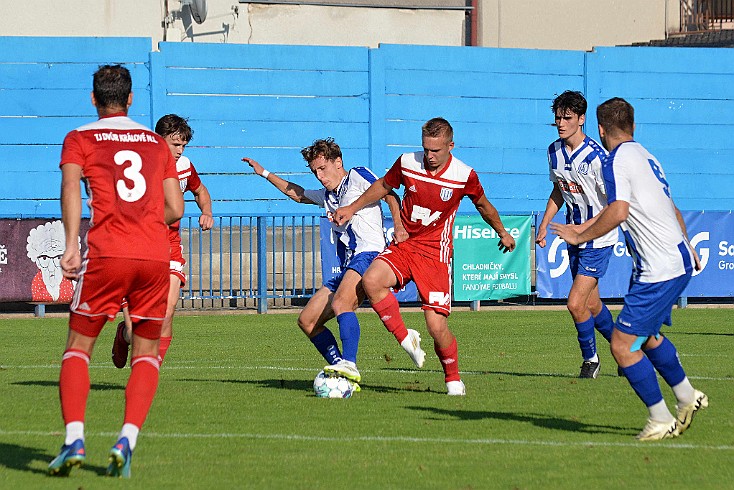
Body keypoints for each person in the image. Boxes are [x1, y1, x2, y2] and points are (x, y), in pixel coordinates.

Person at [48, 64, 184, 477]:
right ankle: (128, 438)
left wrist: (71, 245)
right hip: (155, 257)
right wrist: (142, 218)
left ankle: (74, 438)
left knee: (78, 346)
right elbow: (176, 208)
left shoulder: (80, 138)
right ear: (130, 99)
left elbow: (71, 187)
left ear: (93, 98)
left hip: (108, 253)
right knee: (147, 351)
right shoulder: (156, 144)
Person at [551, 97, 708, 441]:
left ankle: (660, 418)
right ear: (633, 127)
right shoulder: (646, 156)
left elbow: (617, 211)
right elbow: (669, 205)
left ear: (600, 129)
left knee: (623, 345)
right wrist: (689, 243)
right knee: (647, 337)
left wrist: (579, 232)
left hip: (659, 267)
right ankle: (687, 396)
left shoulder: (614, 160)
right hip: (672, 259)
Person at [333, 118, 516, 395]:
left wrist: (502, 232)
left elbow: (483, 205)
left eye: (436, 151)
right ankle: (406, 338)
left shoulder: (463, 175)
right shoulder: (407, 162)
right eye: (426, 149)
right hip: (406, 243)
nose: (429, 156)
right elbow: (384, 186)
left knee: (436, 326)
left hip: (435, 253)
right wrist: (353, 207)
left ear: (450, 146)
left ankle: (453, 379)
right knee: (371, 281)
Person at [242, 138, 403, 384]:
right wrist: (264, 173)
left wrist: (400, 227)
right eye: (314, 171)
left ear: (338, 162)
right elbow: (296, 193)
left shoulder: (357, 176)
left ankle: (350, 364)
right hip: (351, 262)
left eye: (322, 168)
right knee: (307, 321)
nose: (319, 175)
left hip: (370, 254)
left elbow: (390, 194)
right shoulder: (328, 196)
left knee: (341, 304)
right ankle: (342, 370)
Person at [111, 114, 214, 368]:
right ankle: (123, 335)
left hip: (168, 248)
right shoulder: (138, 167)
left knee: (165, 315)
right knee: (137, 328)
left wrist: (207, 212)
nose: (180, 151)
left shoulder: (185, 167)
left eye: (183, 146)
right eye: (175, 144)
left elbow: (200, 190)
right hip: (136, 249)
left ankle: (149, 373)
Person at [535, 91, 617, 379]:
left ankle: (591, 360)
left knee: (575, 303)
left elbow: (613, 205)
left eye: (567, 118)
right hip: (574, 236)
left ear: (581, 119)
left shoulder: (597, 157)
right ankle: (625, 349)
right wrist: (545, 223)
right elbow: (559, 189)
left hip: (598, 238)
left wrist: (584, 230)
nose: (560, 123)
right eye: (557, 117)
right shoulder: (553, 151)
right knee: (592, 304)